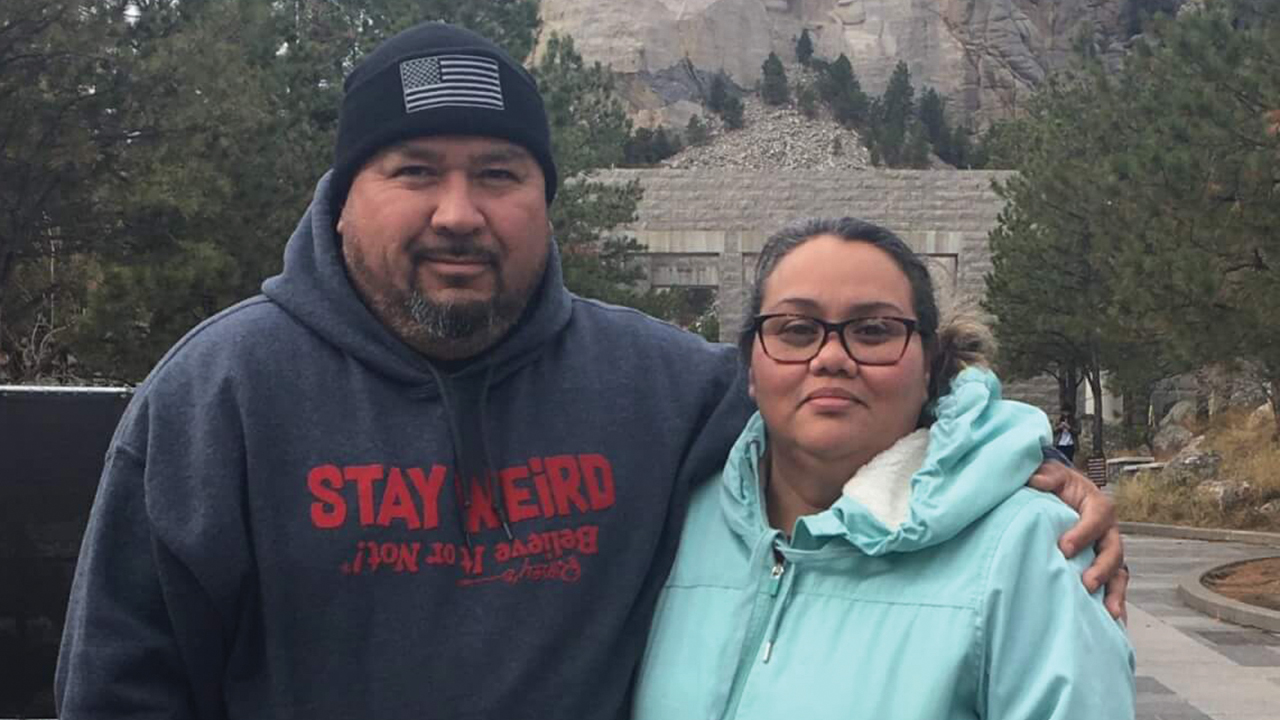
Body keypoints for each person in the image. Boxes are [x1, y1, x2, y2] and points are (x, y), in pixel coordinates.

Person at [55, 22, 1128, 720]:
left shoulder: (660, 387)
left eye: (498, 174)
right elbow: (121, 689)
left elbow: (842, 400)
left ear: (545, 201)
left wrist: (1014, 472)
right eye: (414, 171)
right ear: (343, 198)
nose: (458, 212)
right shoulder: (216, 398)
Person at [633, 218, 1135, 719]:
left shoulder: (1028, 550)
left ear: (929, 363)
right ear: (750, 366)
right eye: (797, 330)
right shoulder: (670, 521)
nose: (831, 357)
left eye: (873, 331)